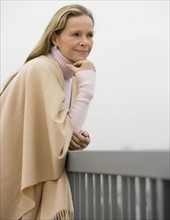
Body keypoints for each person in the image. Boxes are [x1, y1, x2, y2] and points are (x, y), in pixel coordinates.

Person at [0, 4, 96, 219]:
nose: (85, 42)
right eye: (76, 34)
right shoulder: (42, 69)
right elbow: (59, 139)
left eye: (90, 35)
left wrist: (77, 137)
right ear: (55, 38)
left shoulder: (71, 76)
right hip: (12, 174)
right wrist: (88, 90)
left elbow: (62, 132)